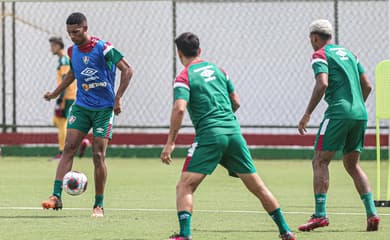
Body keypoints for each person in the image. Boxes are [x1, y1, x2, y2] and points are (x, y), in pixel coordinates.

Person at [161, 32, 295, 240]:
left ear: (179, 53)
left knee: (185, 185)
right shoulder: (219, 70)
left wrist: (170, 143)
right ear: (200, 50)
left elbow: (179, 109)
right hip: (234, 133)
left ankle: (185, 235)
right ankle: (285, 230)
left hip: (210, 136)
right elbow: (237, 102)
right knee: (258, 186)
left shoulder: (184, 77)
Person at [42, 12, 133, 217]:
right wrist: (55, 93)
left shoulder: (104, 48)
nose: (72, 36)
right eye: (69, 33)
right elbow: (73, 74)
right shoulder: (72, 51)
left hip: (103, 109)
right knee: (69, 148)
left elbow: (127, 70)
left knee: (98, 154)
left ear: (85, 27)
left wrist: (117, 98)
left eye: (76, 32)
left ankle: (98, 205)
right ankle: (56, 196)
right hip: (82, 107)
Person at [298, 19, 380, 232]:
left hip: (337, 113)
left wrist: (307, 114)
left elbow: (322, 83)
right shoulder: (350, 54)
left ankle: (320, 215)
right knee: (353, 165)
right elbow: (368, 86)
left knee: (320, 161)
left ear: (315, 38)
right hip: (361, 113)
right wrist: (355, 107)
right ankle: (372, 214)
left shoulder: (320, 54)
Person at [48, 36, 91, 161]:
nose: (51, 48)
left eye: (52, 45)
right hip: (66, 96)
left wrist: (61, 99)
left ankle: (62, 152)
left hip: (67, 96)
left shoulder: (64, 61)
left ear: (58, 46)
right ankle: (82, 142)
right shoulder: (63, 59)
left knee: (62, 122)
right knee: (57, 120)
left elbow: (66, 80)